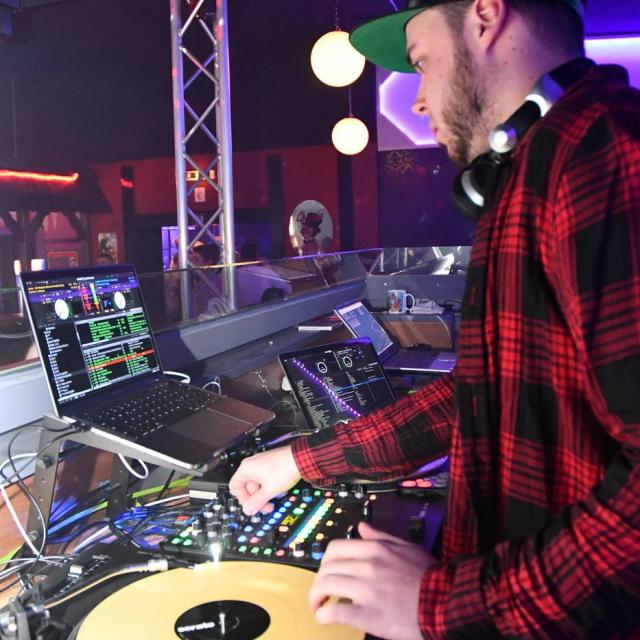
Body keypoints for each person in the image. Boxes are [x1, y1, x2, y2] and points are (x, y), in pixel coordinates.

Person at [229, 1, 640, 638]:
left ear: (486, 15)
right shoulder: (537, 170)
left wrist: (442, 606)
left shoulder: (605, 158)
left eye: (421, 63)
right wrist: (302, 460)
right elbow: (480, 395)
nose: (418, 101)